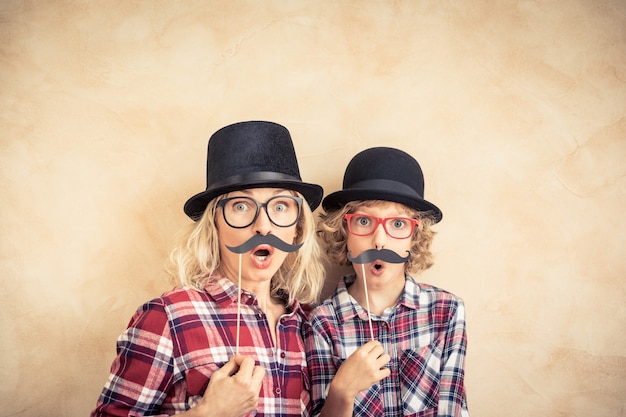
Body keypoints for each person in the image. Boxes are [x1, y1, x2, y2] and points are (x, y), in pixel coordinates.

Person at [92, 120, 325, 417]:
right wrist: (208, 413)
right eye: (241, 206)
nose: (263, 226)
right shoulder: (168, 317)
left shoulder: (310, 324)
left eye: (280, 207)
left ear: (297, 227)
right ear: (214, 224)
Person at [305, 147, 469, 417]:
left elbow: (451, 408)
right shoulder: (322, 322)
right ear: (344, 231)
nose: (379, 240)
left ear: (415, 236)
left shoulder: (447, 310)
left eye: (397, 224)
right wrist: (342, 391)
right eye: (363, 220)